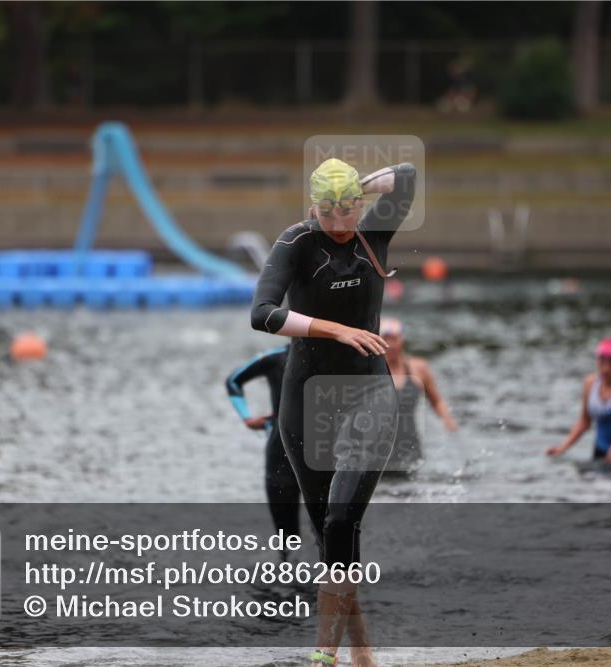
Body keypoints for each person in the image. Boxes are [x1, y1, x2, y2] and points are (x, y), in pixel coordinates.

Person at [250, 156, 416, 667]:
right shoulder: (296, 243)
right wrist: (334, 328)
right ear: (313, 208)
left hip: (368, 391)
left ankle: (324, 654)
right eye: (330, 213)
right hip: (305, 400)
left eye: (350, 211)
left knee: (343, 517)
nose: (342, 224)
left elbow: (407, 176)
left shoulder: (374, 233)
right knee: (330, 537)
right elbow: (262, 314)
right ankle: (363, 656)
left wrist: (355, 186)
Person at [224, 345, 300, 556]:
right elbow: (233, 380)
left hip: (322, 459)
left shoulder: (336, 357)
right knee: (287, 542)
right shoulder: (275, 358)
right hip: (280, 456)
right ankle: (289, 578)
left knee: (329, 534)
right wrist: (247, 418)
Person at [546, 338, 611, 466]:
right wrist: (563, 447)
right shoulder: (589, 384)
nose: (606, 368)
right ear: (597, 360)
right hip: (600, 452)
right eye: (602, 361)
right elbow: (584, 422)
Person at [379, 317, 457, 475]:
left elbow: (436, 400)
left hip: (410, 446)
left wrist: (447, 419)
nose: (391, 345)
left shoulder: (418, 368)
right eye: (386, 340)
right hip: (377, 449)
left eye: (394, 339)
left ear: (402, 340)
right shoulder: (369, 371)